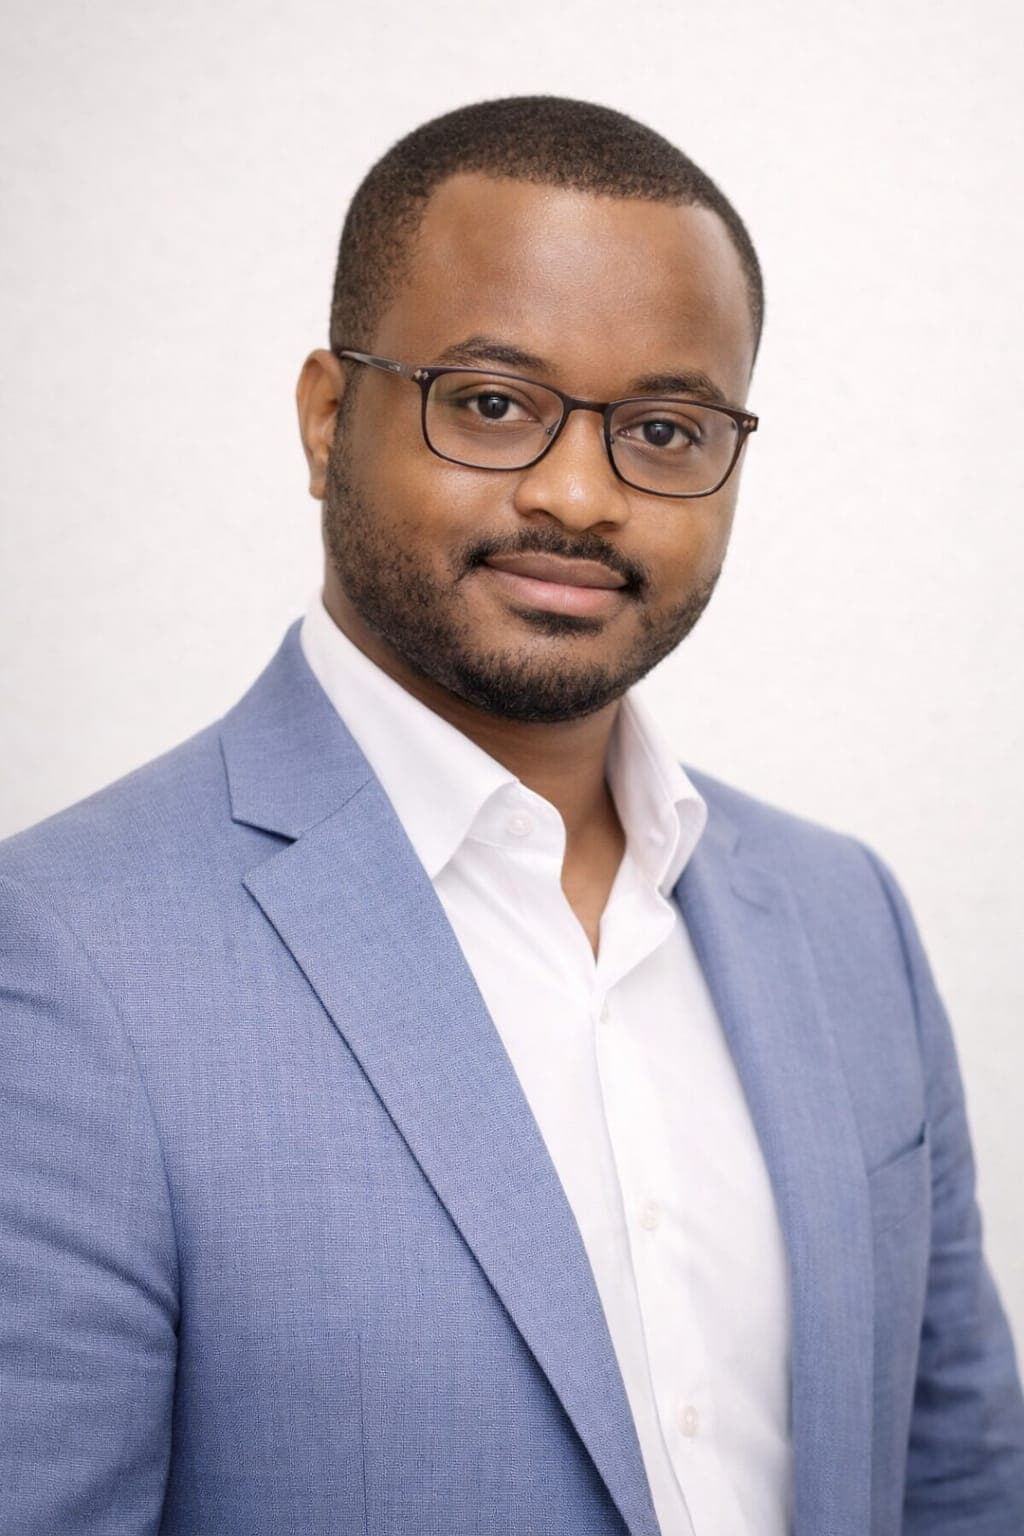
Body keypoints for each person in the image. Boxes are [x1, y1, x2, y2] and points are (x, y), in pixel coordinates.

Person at [1, 94, 1021, 1536]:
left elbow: (960, 1482)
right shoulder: (60, 961)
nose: (580, 494)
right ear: (326, 416)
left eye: (665, 429)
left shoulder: (849, 918)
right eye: (491, 404)